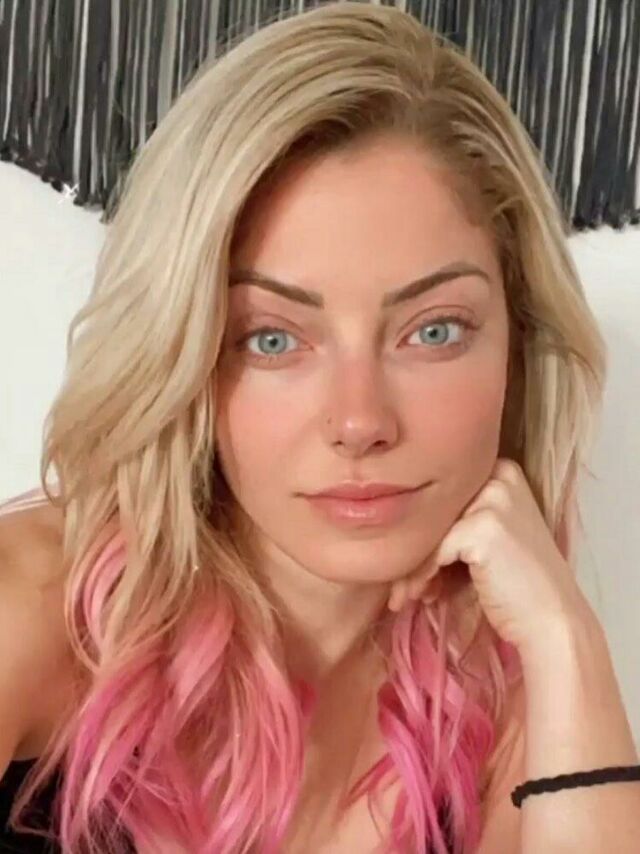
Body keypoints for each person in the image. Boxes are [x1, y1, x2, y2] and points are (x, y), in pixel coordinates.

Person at [1, 2, 639, 853]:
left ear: (518, 349)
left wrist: (567, 641)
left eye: (433, 331)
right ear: (184, 356)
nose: (359, 421)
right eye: (272, 339)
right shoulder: (30, 607)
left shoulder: (510, 682)